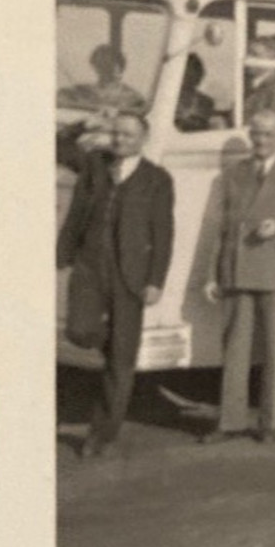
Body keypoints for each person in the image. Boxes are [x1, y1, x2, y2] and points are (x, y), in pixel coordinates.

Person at [56, 111, 175, 457]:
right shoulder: (94, 164)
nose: (120, 141)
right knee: (78, 331)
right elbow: (61, 146)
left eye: (127, 136)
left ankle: (102, 435)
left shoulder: (157, 179)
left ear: (143, 140)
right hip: (90, 266)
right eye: (116, 134)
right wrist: (85, 121)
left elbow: (164, 233)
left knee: (122, 362)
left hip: (131, 275)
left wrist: (155, 280)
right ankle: (111, 341)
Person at [203, 110, 275, 443]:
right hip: (237, 272)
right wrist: (212, 274)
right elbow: (219, 228)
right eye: (256, 133)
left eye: (269, 134)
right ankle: (230, 423)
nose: (261, 140)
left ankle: (270, 424)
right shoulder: (233, 174)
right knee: (235, 351)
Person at [57, 44, 147, 114]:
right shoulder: (83, 91)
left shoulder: (133, 97)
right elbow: (61, 97)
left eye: (111, 65)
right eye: (102, 65)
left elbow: (138, 115)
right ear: (95, 67)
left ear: (121, 67)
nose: (107, 70)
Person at [174, 53, 217, 132]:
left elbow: (204, 128)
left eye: (195, 71)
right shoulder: (167, 100)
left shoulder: (206, 102)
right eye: (187, 72)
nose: (191, 76)